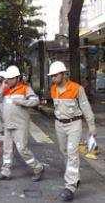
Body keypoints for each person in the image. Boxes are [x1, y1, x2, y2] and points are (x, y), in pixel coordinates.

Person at [48, 61, 96, 201]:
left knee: (72, 153)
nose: (53, 78)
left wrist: (92, 126)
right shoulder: (53, 89)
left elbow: (86, 108)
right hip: (59, 125)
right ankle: (75, 177)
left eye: (55, 75)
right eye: (51, 76)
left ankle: (70, 186)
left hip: (74, 124)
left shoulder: (76, 88)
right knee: (64, 151)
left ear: (63, 74)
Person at [0, 65, 44, 181]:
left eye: (11, 79)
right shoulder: (5, 89)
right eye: (7, 79)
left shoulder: (25, 88)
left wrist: (22, 102)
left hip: (20, 125)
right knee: (7, 149)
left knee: (22, 149)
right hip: (8, 124)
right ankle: (6, 172)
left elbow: (35, 101)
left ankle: (38, 168)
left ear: (17, 78)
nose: (8, 81)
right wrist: (2, 88)